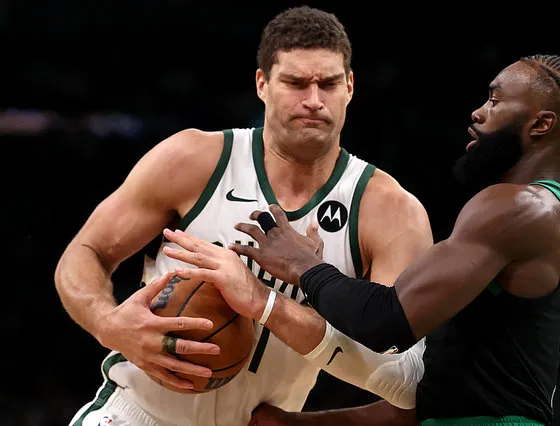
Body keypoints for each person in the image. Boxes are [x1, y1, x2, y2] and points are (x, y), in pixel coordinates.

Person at [161, 54, 560, 426]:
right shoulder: (522, 213)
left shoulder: (520, 208)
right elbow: (423, 400)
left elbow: (386, 323)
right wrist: (295, 423)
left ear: (541, 125)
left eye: (495, 100)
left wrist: (301, 270)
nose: (478, 112)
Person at [54, 5, 433, 426]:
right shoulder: (195, 159)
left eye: (327, 84)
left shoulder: (393, 212)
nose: (312, 100)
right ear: (262, 84)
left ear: (349, 87)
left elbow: (402, 378)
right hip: (138, 413)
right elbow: (86, 251)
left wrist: (265, 303)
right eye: (294, 83)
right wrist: (109, 324)